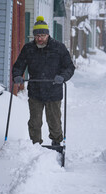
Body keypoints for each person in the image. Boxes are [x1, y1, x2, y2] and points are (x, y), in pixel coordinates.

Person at [12, 16, 75, 146]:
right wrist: (17, 75)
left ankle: (56, 142)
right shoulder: (28, 49)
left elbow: (69, 67)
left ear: (47, 34)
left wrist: (62, 77)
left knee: (54, 121)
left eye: (42, 35)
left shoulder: (58, 48)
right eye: (36, 36)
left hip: (54, 90)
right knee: (35, 122)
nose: (39, 39)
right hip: (35, 91)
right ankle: (35, 145)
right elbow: (19, 65)